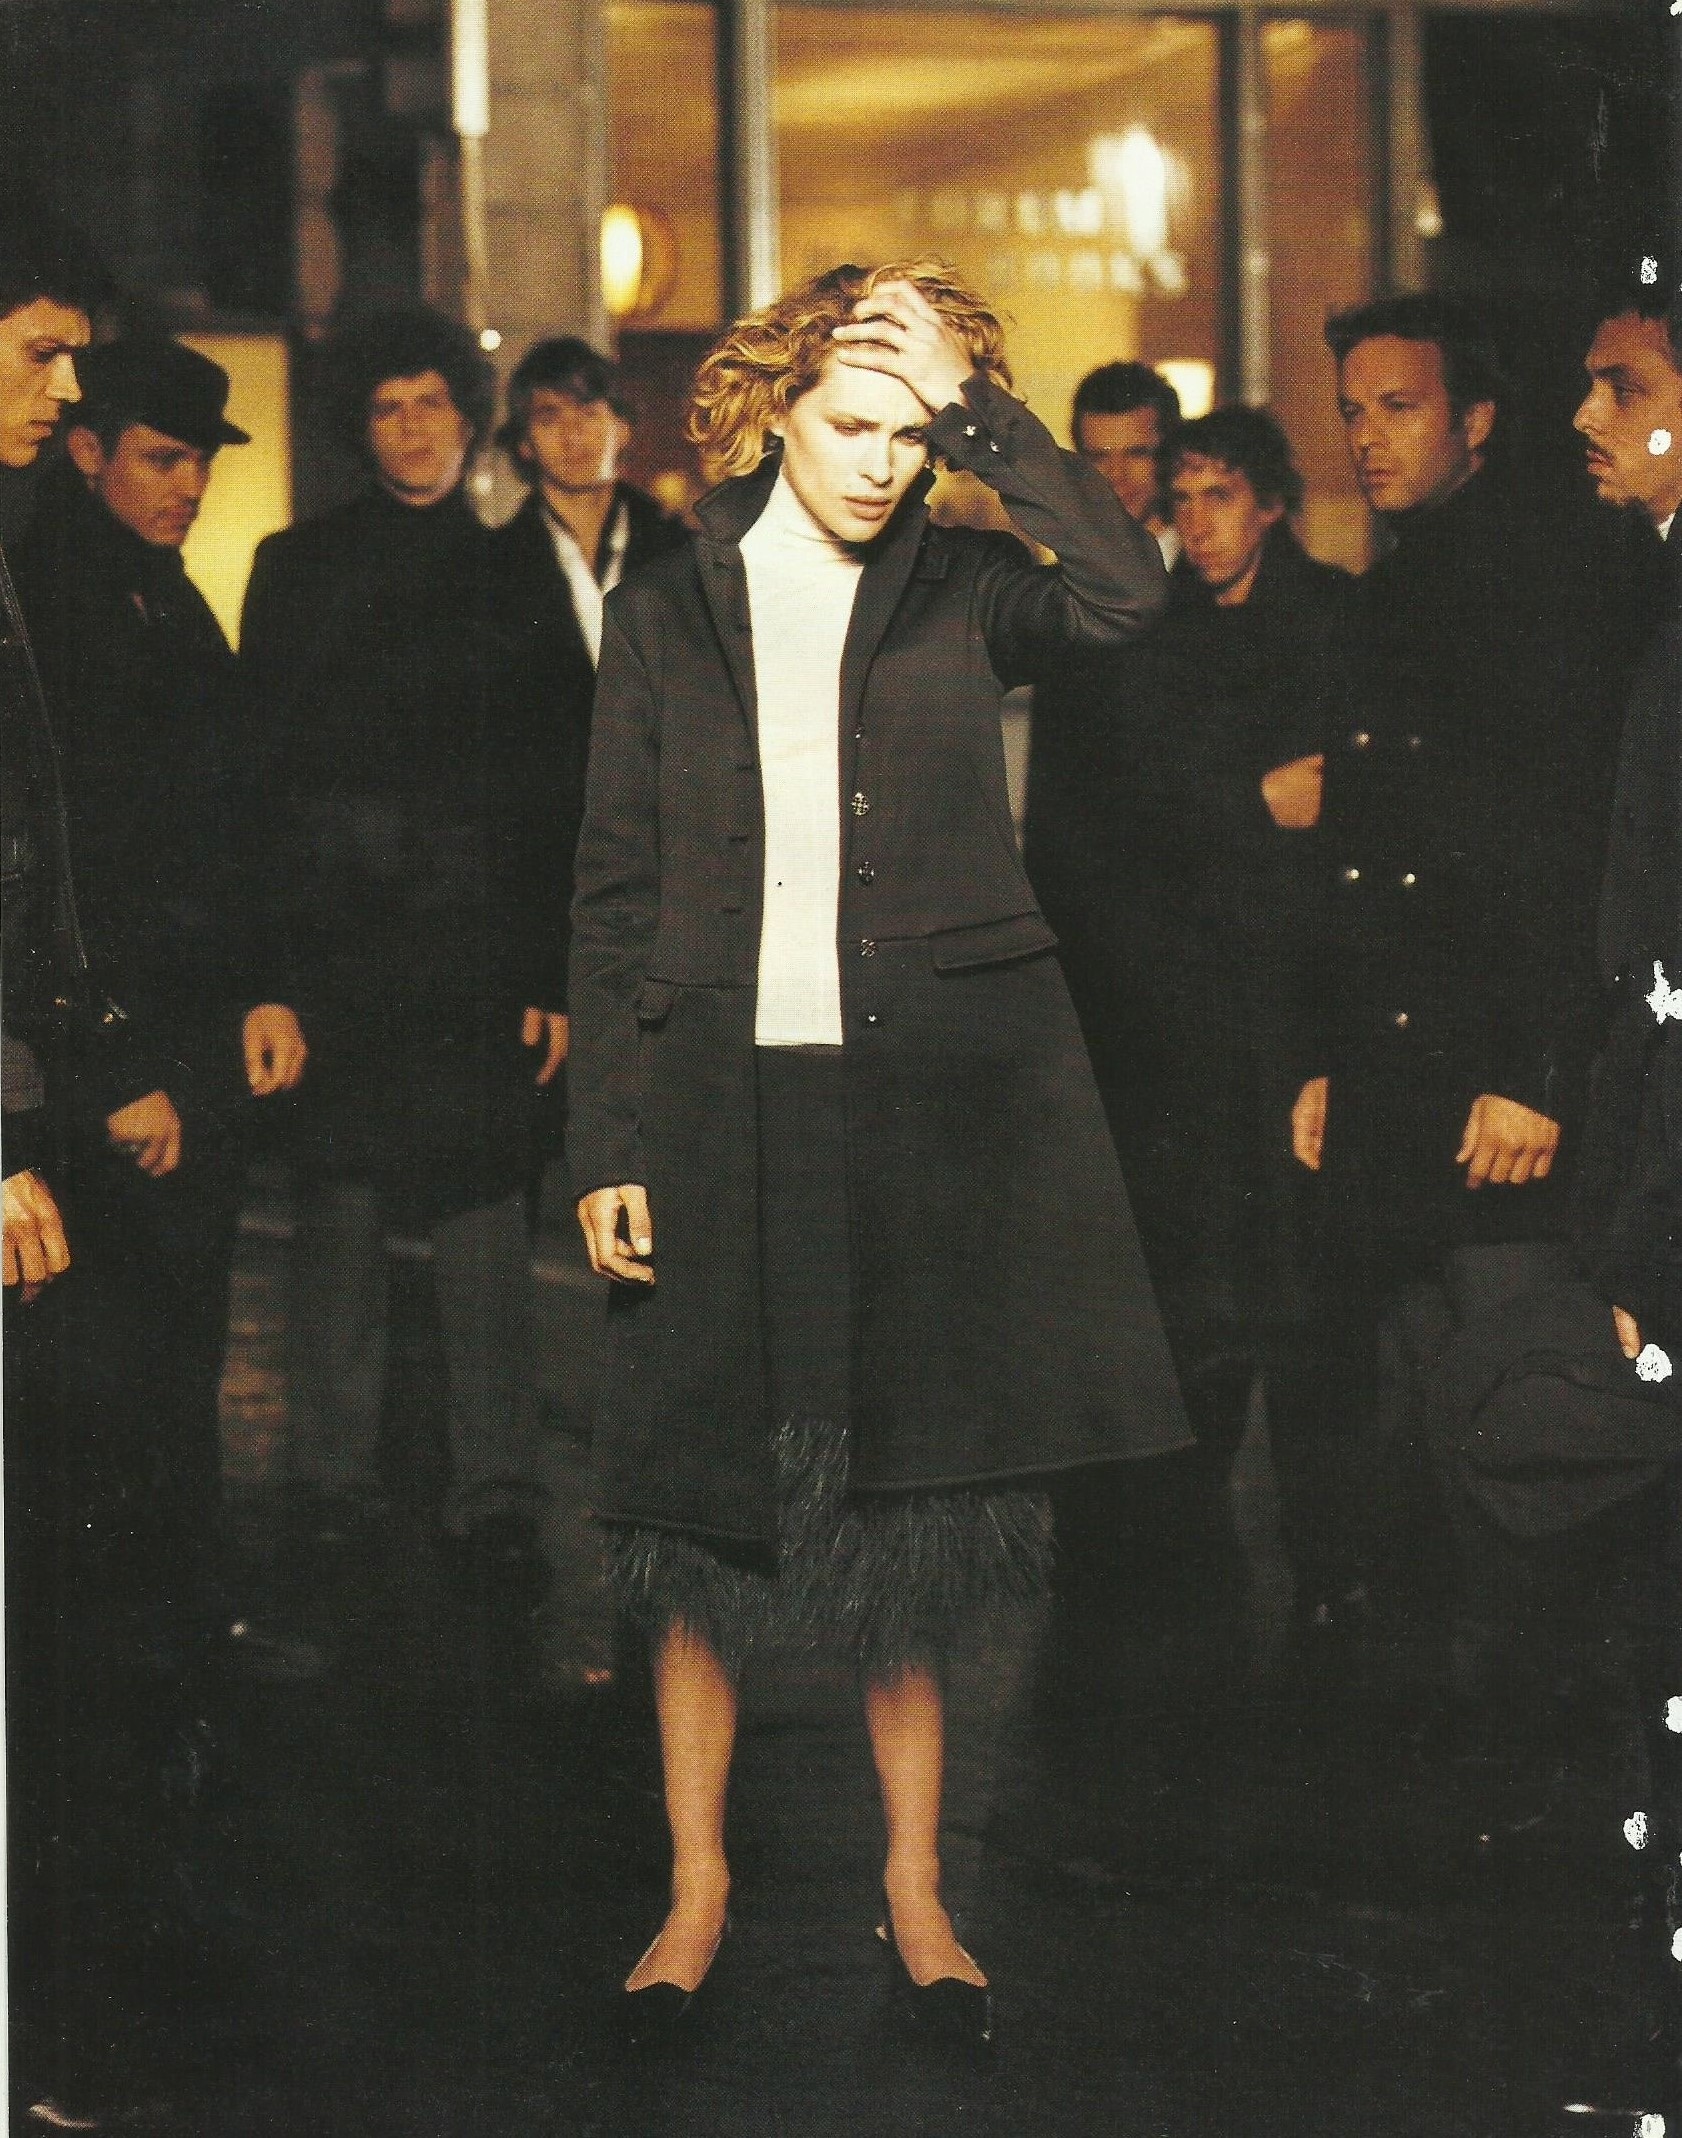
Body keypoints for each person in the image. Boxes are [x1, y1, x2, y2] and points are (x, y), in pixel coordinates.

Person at [566, 259, 1186, 2042]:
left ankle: (916, 1885)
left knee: (906, 1505)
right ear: (774, 411)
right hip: (710, 1098)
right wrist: (607, 1134)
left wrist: (986, 423)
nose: (877, 464)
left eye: (913, 439)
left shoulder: (964, 583)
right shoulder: (665, 605)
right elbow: (612, 883)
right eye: (851, 424)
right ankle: (696, 1885)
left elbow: (1130, 593)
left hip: (917, 1103)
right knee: (691, 1513)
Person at [1289, 294, 1634, 1645]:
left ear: (1476, 419)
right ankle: (1463, 1731)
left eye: (1400, 406)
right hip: (1394, 1078)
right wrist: (1324, 1056)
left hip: (1495, 1087)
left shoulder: (1538, 582)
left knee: (1520, 1443)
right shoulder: (1384, 592)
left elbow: (1568, 849)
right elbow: (1356, 856)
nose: (1367, 437)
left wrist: (1534, 1068)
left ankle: (1540, 1740)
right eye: (1351, 410)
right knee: (1421, 1431)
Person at [239, 306, 566, 1602]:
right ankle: (330, 1485)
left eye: (434, 401)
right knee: (339, 1223)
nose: (414, 426)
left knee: (485, 1231)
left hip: (477, 960)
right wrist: (271, 975)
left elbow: (557, 789)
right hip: (338, 955)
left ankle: (498, 1491)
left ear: (470, 420)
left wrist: (549, 975)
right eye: (388, 405)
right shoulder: (295, 568)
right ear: (358, 425)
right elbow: (257, 785)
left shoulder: (516, 571)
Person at [12, 334, 312, 1677]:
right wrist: (116, 1066)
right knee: (112, 1366)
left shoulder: (165, 593)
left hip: (184, 1036)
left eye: (200, 462)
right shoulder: (51, 598)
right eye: (162, 457)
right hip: (109, 1051)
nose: (188, 485)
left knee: (175, 1347)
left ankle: (179, 1631)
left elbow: (235, 818)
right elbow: (65, 874)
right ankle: (136, 1651)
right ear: (90, 451)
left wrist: (262, 984)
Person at [487, 337, 687, 1215]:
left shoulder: (687, 555)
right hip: (546, 892)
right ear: (523, 441)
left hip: (675, 881)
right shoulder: (486, 572)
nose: (572, 434)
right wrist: (537, 962)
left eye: (589, 410)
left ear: (624, 425)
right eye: (548, 416)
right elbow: (491, 793)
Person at [1068, 358, 1183, 564]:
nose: (1116, 475)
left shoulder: (1211, 571)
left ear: (1171, 455)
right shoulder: (1070, 570)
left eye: (1137, 454)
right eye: (1098, 457)